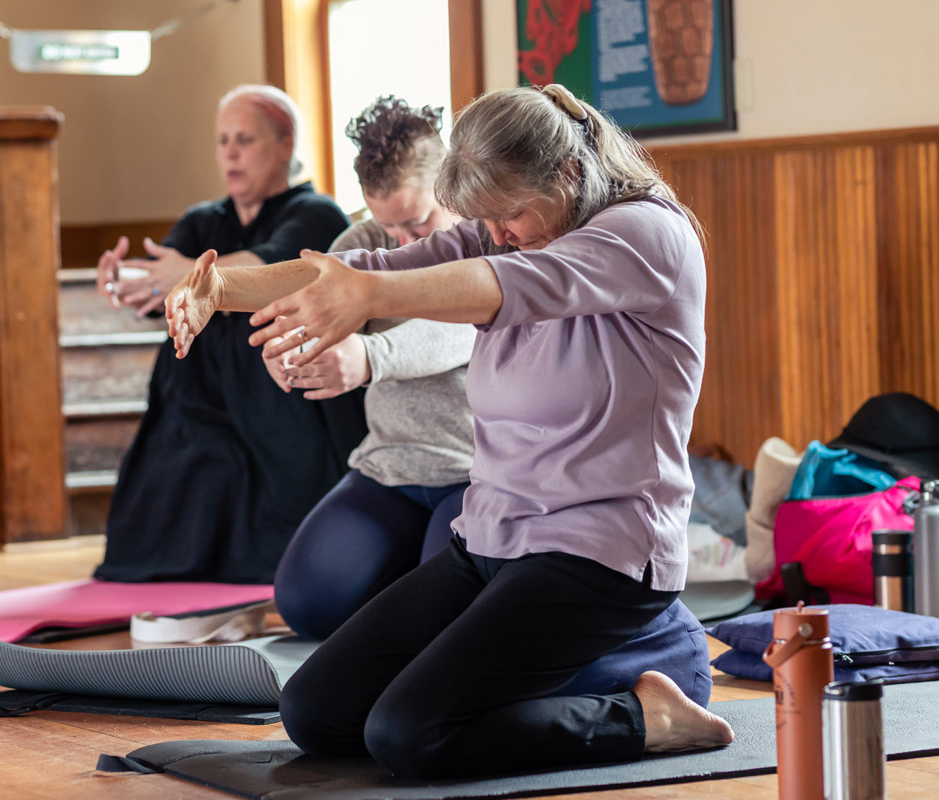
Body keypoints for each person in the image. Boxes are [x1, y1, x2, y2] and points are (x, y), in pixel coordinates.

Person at [165, 84, 734, 778]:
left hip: (601, 555)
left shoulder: (646, 234)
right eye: (485, 220)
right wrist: (219, 290)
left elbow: (507, 283)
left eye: (509, 214)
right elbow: (358, 270)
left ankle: (647, 716)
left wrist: (372, 303)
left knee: (411, 734)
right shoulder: (510, 227)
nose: (496, 232)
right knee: (317, 711)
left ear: (569, 175)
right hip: (492, 539)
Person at [92, 85, 365, 585]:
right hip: (198, 396)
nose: (231, 153)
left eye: (245, 139)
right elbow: (162, 285)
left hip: (276, 394)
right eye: (223, 141)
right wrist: (124, 283)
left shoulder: (317, 212)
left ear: (285, 145)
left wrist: (183, 276)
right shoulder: (203, 221)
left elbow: (268, 268)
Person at [268, 96, 474, 640]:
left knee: (446, 623)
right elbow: (311, 310)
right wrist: (292, 350)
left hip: (479, 474)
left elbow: (460, 330)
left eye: (417, 220)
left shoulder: (487, 236)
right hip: (390, 470)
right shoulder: (360, 244)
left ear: (450, 184)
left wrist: (369, 357)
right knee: (305, 607)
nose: (403, 243)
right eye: (388, 226)